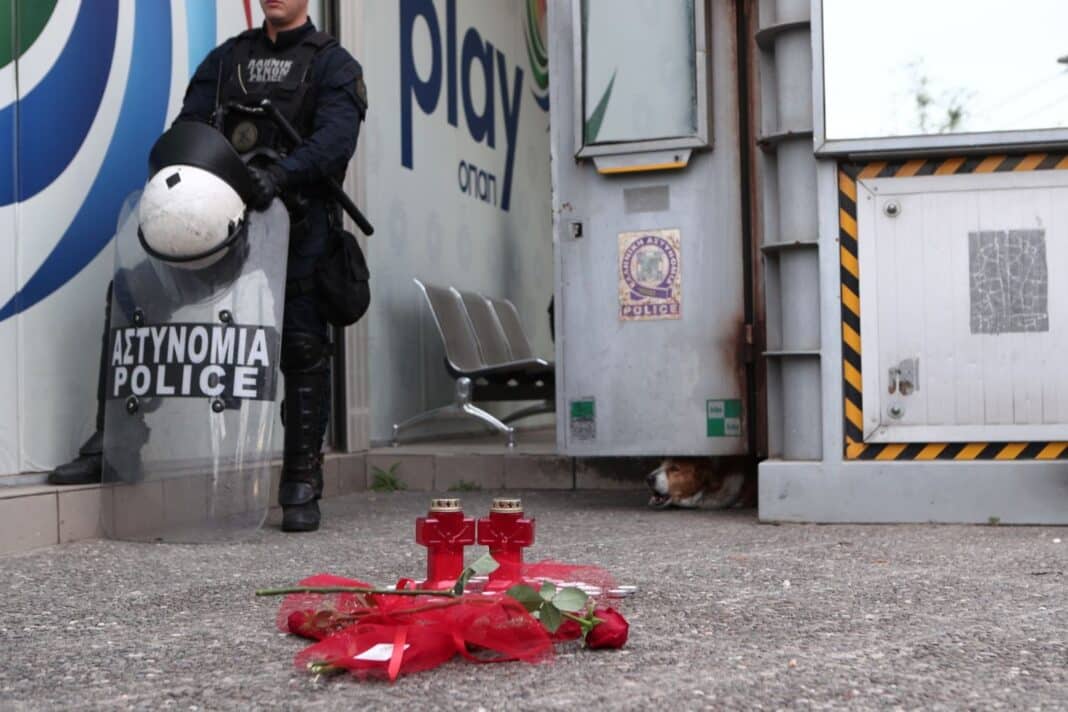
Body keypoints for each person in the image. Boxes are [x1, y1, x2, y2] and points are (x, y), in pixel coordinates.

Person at [48, 0, 367, 534]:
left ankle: (301, 479)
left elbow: (334, 143)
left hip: (298, 226)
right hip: (220, 223)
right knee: (134, 294)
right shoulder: (227, 60)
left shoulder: (334, 64)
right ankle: (117, 446)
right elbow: (189, 128)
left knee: (302, 342)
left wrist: (280, 175)